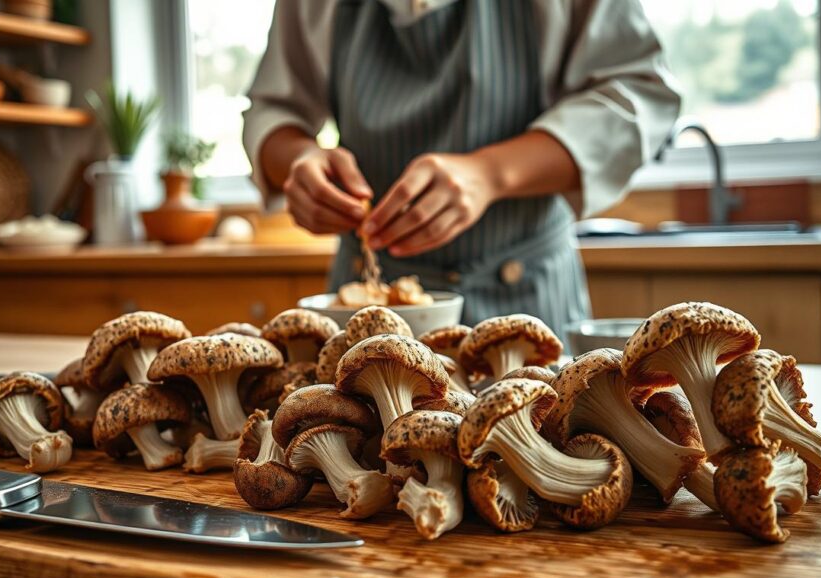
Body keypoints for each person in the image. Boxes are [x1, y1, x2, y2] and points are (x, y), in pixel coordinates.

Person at [243, 0, 679, 340]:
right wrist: (298, 161)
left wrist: (491, 173)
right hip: (365, 316)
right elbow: (273, 111)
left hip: (526, 297)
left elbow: (636, 96)